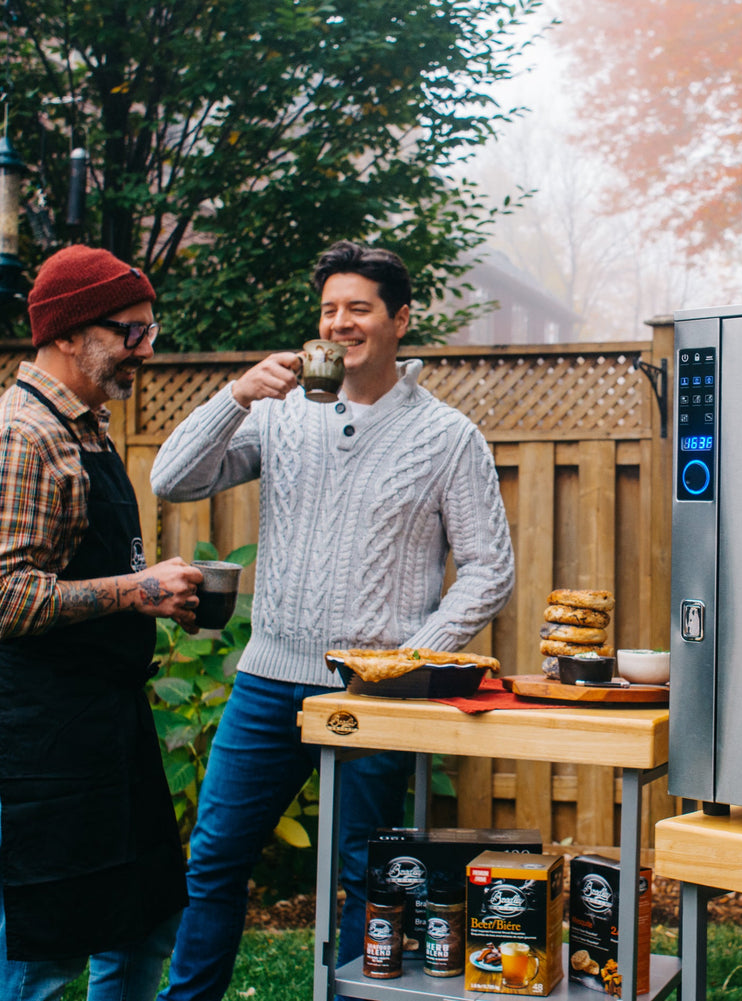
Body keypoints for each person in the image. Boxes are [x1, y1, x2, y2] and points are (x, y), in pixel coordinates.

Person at [149, 240, 515, 1000]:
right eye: (328, 309)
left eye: (359, 307)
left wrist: (405, 660)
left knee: (367, 877)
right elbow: (171, 478)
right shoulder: (279, 413)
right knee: (214, 859)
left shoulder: (448, 437)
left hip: (374, 699)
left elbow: (489, 568)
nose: (340, 323)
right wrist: (238, 395)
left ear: (399, 319)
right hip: (266, 681)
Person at [0, 244, 203, 1001]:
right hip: (35, 730)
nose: (147, 348)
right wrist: (132, 590)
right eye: (132, 331)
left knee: (139, 921)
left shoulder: (85, 426)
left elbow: (70, 571)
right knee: (44, 950)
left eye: (149, 330)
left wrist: (149, 592)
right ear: (68, 333)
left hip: (99, 720)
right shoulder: (21, 435)